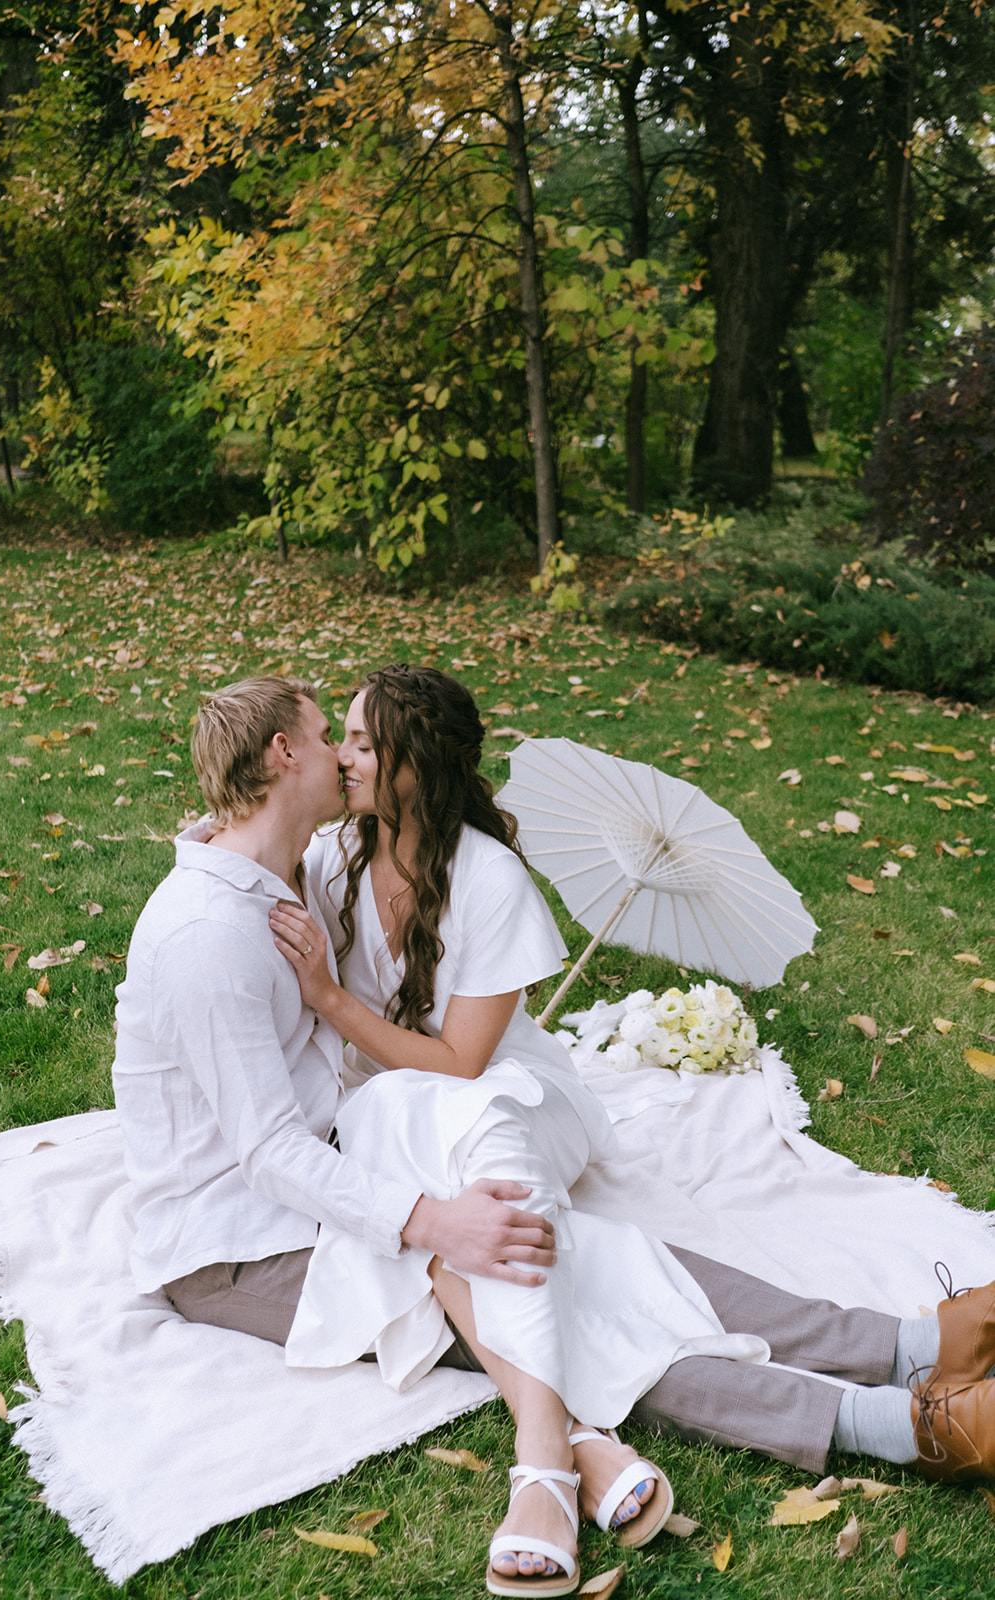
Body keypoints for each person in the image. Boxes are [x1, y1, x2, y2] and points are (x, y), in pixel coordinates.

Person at [270, 664, 995, 1595]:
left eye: (367, 741)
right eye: (347, 737)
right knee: (591, 1268)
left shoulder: (489, 881)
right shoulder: (333, 857)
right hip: (397, 1121)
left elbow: (460, 1066)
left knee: (464, 1159)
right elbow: (248, 863)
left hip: (509, 1103)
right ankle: (906, 1355)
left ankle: (566, 1453)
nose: (344, 754)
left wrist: (328, 998)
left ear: (420, 764)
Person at [111, 675, 560, 1414]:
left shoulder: (285, 872)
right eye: (330, 737)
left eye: (358, 741)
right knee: (533, 1299)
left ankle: (816, 1347)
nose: (343, 756)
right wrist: (429, 1220)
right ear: (284, 752)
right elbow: (267, 1151)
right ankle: (583, 1448)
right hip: (237, 1243)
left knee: (548, 1259)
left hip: (321, 1175)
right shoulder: (209, 934)